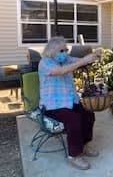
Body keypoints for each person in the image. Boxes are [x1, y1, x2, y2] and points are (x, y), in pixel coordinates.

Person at [38, 36, 102, 170]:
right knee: (73, 120)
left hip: (70, 101)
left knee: (88, 115)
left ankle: (84, 145)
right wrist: (82, 61)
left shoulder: (66, 59)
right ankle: (74, 155)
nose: (65, 53)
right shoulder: (45, 63)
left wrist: (94, 55)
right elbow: (60, 71)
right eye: (61, 51)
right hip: (52, 106)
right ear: (52, 51)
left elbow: (81, 62)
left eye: (66, 50)